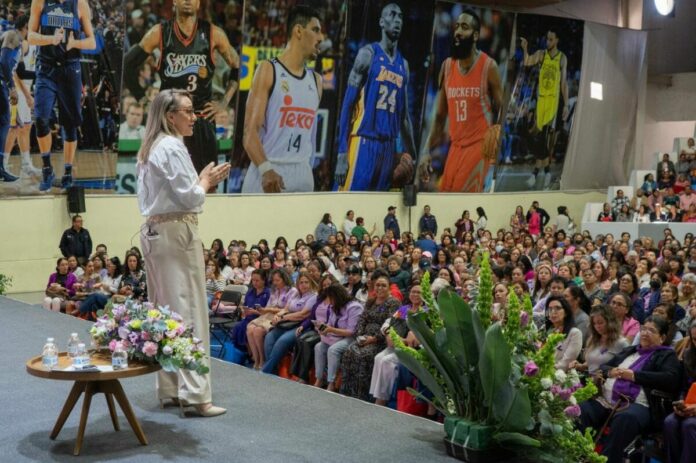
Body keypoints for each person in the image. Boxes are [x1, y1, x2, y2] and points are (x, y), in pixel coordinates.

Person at [137, 88, 230, 417]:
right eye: (188, 112)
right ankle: (196, 396)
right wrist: (205, 180)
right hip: (177, 232)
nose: (194, 117)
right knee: (189, 312)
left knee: (165, 312)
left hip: (155, 232)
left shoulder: (150, 147)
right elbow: (191, 198)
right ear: (169, 116)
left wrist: (200, 182)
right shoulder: (172, 145)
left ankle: (172, 388)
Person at [124, 0, 240, 175]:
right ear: (175, 2)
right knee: (166, 180)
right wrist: (142, 98)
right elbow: (128, 65)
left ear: (199, 4)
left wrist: (223, 103)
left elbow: (238, 66)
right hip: (169, 120)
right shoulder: (159, 32)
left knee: (207, 182)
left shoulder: (214, 33)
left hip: (201, 118)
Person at [334, 2, 416, 191]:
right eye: (392, 15)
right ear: (381, 22)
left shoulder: (404, 66)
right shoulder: (367, 55)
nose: (397, 20)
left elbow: (404, 118)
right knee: (347, 206)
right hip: (364, 142)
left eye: (400, 17)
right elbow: (347, 105)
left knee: (375, 212)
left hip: (388, 149)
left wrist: (413, 156)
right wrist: (341, 153)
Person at [242, 5, 322, 193]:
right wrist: (265, 169)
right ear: (299, 31)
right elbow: (249, 133)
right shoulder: (269, 70)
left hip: (302, 173)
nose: (321, 38)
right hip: (268, 170)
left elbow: (311, 139)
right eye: (316, 30)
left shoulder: (316, 81)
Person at [578, 316, 681, 463]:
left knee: (625, 419)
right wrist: (610, 372)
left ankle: (605, 460)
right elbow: (604, 367)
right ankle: (579, 454)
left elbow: (670, 379)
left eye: (651, 330)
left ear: (662, 337)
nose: (645, 333)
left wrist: (634, 376)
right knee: (580, 409)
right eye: (643, 328)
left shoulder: (666, 355)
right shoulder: (630, 350)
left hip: (640, 404)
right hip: (607, 400)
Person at [424, 9, 503, 192]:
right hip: (455, 148)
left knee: (459, 205)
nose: (458, 31)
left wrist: (495, 149)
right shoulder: (447, 67)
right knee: (444, 198)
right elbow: (439, 117)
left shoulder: (489, 66)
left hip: (478, 146)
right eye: (457, 26)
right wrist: (425, 151)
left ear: (475, 35)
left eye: (465, 27)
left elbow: (501, 111)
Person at [27, 0, 96, 190]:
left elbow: (92, 41)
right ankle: (47, 168)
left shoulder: (80, 4)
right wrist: (51, 40)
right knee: (40, 119)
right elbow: (31, 36)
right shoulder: (40, 2)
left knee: (70, 124)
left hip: (70, 68)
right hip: (46, 68)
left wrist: (74, 42)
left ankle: (67, 171)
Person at [520, 29, 569, 189]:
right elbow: (527, 61)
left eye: (550, 39)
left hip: (554, 102)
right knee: (538, 138)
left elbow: (563, 84)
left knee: (547, 141)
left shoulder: (562, 58)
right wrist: (525, 48)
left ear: (557, 41)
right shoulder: (541, 54)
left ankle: (536, 174)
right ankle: (546, 171)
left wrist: (566, 104)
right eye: (546, 39)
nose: (547, 42)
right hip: (541, 101)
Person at [340, 272, 400, 400]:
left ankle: (363, 395)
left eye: (383, 285)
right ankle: (347, 391)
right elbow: (362, 319)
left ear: (389, 287)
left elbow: (389, 325)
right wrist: (360, 335)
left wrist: (373, 339)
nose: (380, 288)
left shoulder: (393, 303)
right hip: (364, 338)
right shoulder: (371, 301)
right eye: (377, 285)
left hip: (380, 341)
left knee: (363, 355)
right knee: (349, 352)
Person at [370, 284, 423, 405]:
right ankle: (376, 395)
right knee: (378, 358)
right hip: (394, 342)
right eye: (413, 292)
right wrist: (388, 333)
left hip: (408, 349)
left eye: (418, 292)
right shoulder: (404, 309)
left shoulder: (424, 312)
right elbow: (387, 323)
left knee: (387, 361)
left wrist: (401, 340)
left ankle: (383, 398)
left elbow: (416, 339)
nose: (415, 294)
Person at [1, 15, 36, 182]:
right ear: (25, 26)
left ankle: (9, 165)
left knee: (14, 125)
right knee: (9, 125)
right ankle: (3, 165)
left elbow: (21, 71)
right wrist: (13, 88)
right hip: (7, 85)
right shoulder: (14, 36)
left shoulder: (23, 43)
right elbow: (6, 65)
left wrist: (43, 75)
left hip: (9, 86)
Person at [262, 271, 318, 375]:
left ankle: (265, 371)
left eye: (306, 282)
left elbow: (302, 315)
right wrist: (278, 315)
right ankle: (272, 370)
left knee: (282, 341)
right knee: (269, 337)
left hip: (301, 326)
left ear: (311, 283)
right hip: (287, 323)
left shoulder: (313, 296)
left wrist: (283, 317)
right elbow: (286, 308)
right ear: (298, 284)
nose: (304, 285)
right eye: (301, 282)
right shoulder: (296, 293)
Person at [314, 283, 364, 391]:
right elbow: (330, 324)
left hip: (351, 338)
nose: (329, 301)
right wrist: (323, 329)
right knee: (318, 347)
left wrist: (331, 330)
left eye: (330, 298)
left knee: (333, 350)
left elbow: (351, 332)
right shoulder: (334, 306)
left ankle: (331, 383)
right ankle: (319, 379)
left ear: (337, 296)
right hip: (336, 336)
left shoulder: (354, 307)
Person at [245, 268, 295, 369]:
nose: (275, 283)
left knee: (258, 331)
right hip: (268, 314)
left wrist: (270, 309)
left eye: (277, 280)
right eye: (273, 280)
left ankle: (263, 360)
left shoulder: (292, 291)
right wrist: (261, 309)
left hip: (280, 316)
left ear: (284, 279)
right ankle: (256, 358)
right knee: (249, 328)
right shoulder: (274, 291)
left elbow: (286, 309)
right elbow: (268, 307)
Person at [664, 320, 696, 463]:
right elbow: (684, 387)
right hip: (690, 405)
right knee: (670, 422)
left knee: (689, 425)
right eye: (695, 339)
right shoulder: (689, 356)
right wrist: (681, 403)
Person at [569, 304, 628, 375]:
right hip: (590, 380)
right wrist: (580, 366)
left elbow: (625, 369)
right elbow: (592, 362)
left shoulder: (622, 343)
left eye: (600, 323)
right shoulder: (593, 339)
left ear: (610, 322)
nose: (597, 326)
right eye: (594, 323)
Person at [545, 295, 582, 371]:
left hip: (564, 377)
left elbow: (566, 363)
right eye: (550, 309)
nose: (553, 312)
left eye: (557, 308)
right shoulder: (550, 333)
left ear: (566, 312)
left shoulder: (575, 333)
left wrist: (546, 371)